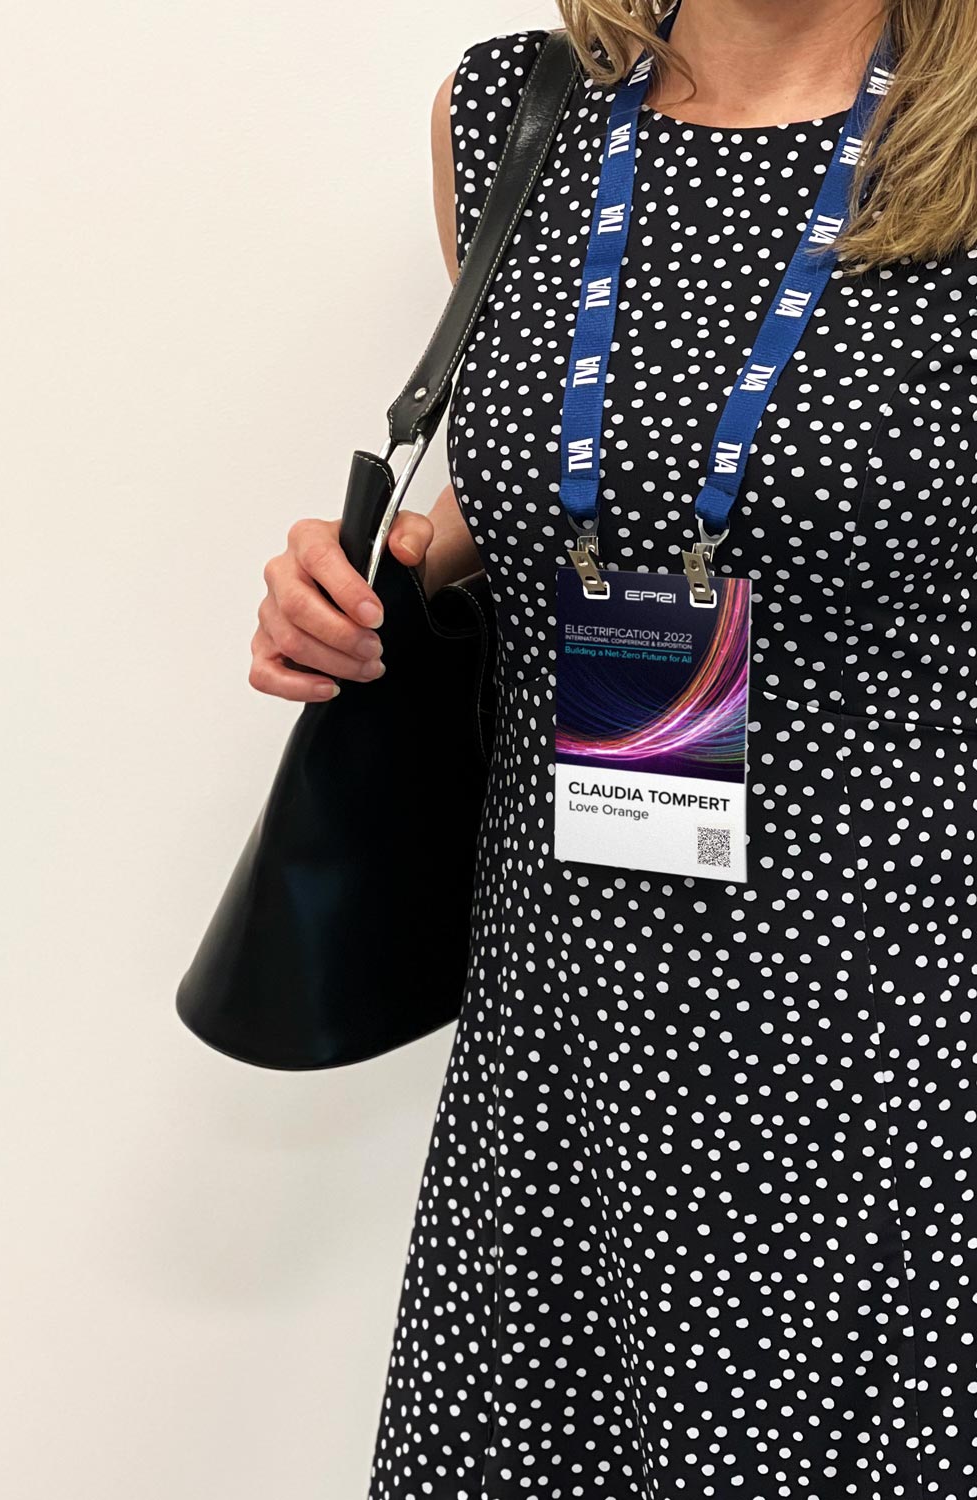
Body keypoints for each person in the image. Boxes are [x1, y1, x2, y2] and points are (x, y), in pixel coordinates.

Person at [252, 0, 977, 1492]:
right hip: (566, 1053)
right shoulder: (512, 114)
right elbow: (583, 491)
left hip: (896, 1068)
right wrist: (375, 579)